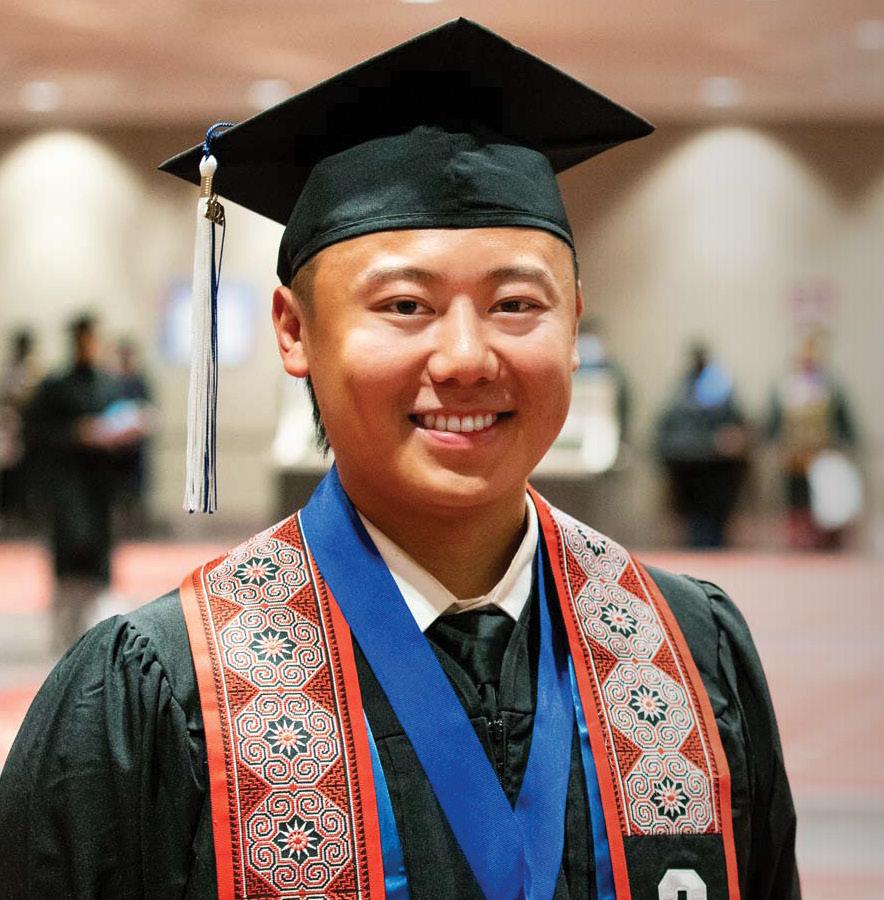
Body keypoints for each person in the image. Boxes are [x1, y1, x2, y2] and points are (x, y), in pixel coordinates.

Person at [0, 21, 798, 900]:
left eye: (517, 303)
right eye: (407, 304)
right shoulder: (160, 691)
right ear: (295, 332)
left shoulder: (689, 652)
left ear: (575, 328)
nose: (465, 357)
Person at [20, 314, 143, 650]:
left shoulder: (109, 385)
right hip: (66, 486)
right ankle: (64, 633)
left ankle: (97, 638)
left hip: (100, 487)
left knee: (99, 558)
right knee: (70, 554)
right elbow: (36, 435)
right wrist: (78, 433)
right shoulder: (55, 387)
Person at [767, 330, 857, 551]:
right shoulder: (785, 387)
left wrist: (842, 448)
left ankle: (824, 548)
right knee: (797, 506)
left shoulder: (832, 388)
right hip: (794, 460)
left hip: (823, 458)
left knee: (824, 507)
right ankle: (798, 546)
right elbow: (773, 424)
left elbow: (844, 424)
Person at [655, 341, 750, 548]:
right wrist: (710, 442)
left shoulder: (721, 388)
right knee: (695, 535)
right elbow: (666, 435)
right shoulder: (681, 391)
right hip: (689, 476)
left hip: (718, 476)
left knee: (715, 533)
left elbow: (738, 428)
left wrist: (731, 441)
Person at [109, 336, 155, 533]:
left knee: (136, 491)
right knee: (118, 491)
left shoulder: (140, 382)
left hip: (135, 446)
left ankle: (137, 527)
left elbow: (149, 411)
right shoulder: (111, 382)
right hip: (116, 447)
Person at [0, 328, 40, 529]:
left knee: (27, 473)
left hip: (28, 429)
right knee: (10, 473)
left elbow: (32, 398)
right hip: (11, 428)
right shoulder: (11, 369)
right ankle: (9, 510)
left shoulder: (32, 369)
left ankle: (26, 512)